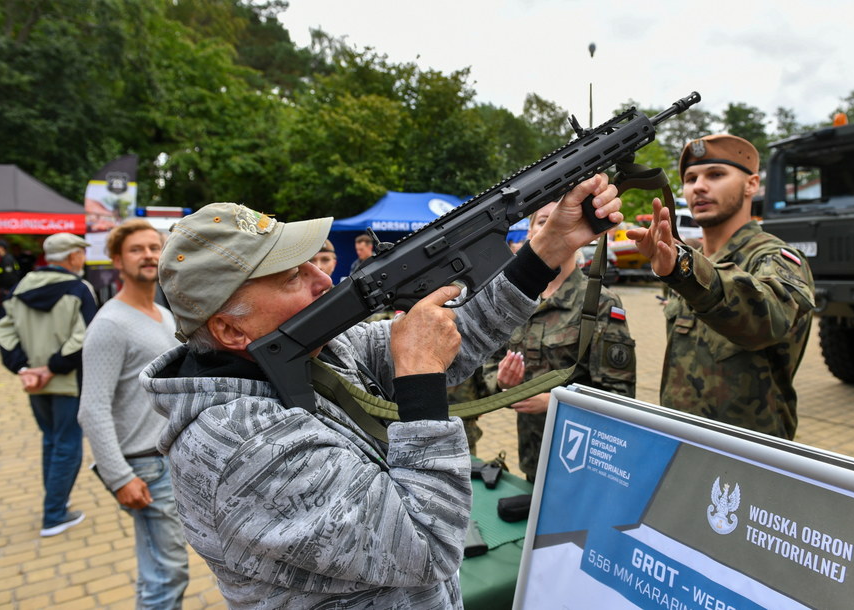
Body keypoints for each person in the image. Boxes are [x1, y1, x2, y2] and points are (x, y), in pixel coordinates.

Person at [139, 176, 621, 608]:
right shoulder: (240, 447)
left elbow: (461, 332)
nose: (323, 280)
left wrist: (550, 247)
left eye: (312, 263)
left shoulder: (312, 355)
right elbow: (427, 545)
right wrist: (419, 381)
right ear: (229, 329)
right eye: (292, 277)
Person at [627, 134, 815, 439]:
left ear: (751, 184)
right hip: (681, 442)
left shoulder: (774, 257)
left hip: (747, 454)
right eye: (690, 178)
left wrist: (684, 270)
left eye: (716, 175)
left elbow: (769, 316)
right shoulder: (689, 260)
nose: (698, 186)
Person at [78, 220, 189, 607]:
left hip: (168, 459)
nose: (148, 256)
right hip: (143, 467)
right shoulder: (110, 324)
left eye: (154, 248)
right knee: (168, 573)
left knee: (161, 567)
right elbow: (91, 408)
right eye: (137, 249)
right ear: (116, 260)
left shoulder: (163, 314)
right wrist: (119, 476)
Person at [488, 201, 637, 482]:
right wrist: (503, 384)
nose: (554, 227)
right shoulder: (515, 300)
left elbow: (621, 397)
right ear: (531, 233)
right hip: (532, 459)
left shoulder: (600, 303)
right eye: (544, 221)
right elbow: (488, 365)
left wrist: (557, 402)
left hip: (584, 465)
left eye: (562, 220)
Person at [0, 232, 97, 536]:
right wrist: (54, 367)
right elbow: (87, 336)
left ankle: (55, 506)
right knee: (67, 444)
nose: (83, 257)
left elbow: (4, 332)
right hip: (68, 382)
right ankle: (54, 514)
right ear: (71, 256)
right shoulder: (80, 288)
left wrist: (26, 368)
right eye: (80, 252)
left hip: (34, 382)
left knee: (51, 440)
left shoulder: (19, 288)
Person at [0, 239, 22, 316]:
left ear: (1, 248)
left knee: (6, 312)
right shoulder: (2, 259)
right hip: (4, 289)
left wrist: (7, 289)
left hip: (6, 290)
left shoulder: (7, 259)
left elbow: (10, 276)